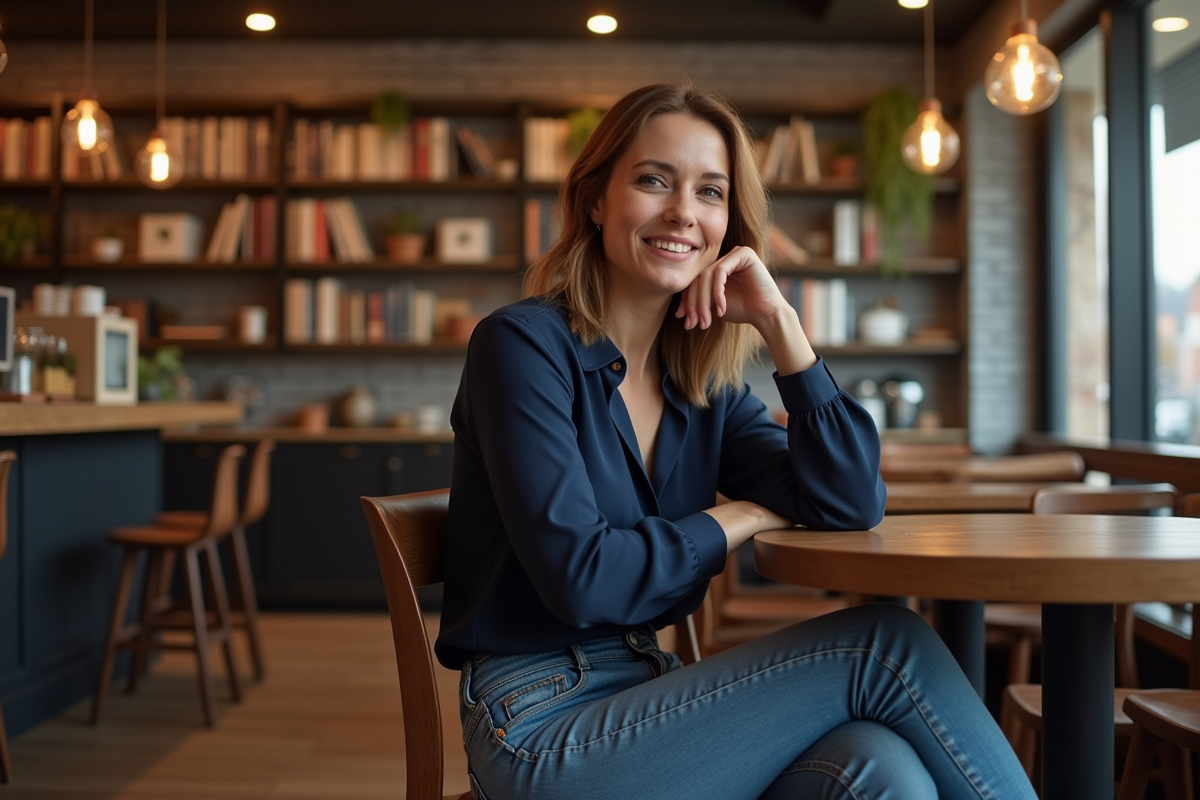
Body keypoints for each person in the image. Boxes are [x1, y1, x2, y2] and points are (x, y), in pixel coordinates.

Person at [435, 81, 1035, 800]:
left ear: (730, 223)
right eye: (654, 180)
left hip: (644, 692)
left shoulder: (701, 385)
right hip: (535, 723)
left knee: (881, 767)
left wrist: (783, 325)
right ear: (596, 200)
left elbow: (850, 502)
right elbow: (582, 577)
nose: (683, 212)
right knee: (886, 643)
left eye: (710, 192)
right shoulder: (522, 347)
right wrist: (743, 514)